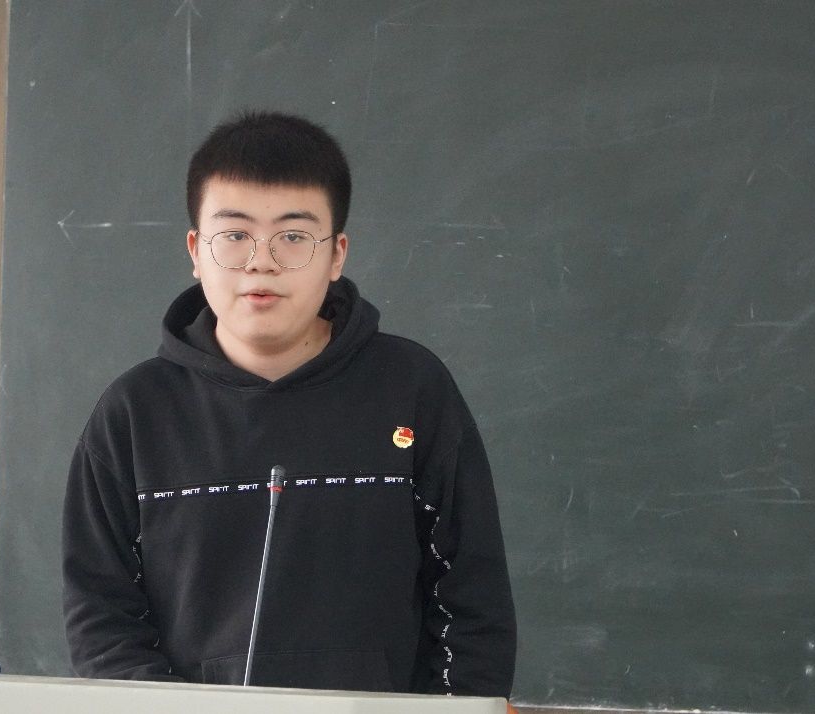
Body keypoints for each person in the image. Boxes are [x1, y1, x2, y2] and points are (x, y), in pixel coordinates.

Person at [62, 111, 516, 697]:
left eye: (294, 236)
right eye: (235, 235)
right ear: (196, 250)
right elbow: (101, 621)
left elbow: (471, 601)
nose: (262, 261)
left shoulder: (411, 389)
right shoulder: (134, 413)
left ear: (337, 255)